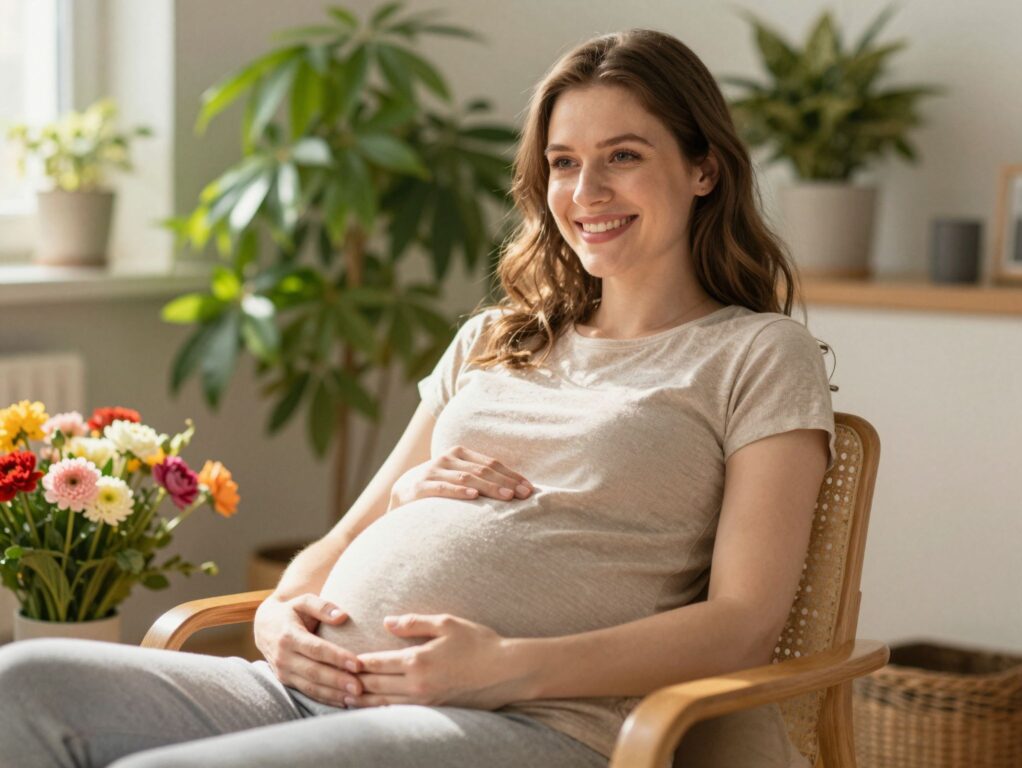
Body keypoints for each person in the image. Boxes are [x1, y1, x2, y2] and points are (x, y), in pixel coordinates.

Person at [0, 28, 835, 768]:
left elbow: (743, 621)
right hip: (303, 689)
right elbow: (338, 542)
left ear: (702, 168)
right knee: (20, 684)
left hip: (526, 722)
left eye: (624, 155)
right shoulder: (495, 337)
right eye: (563, 162)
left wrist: (507, 663)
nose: (585, 194)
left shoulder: (757, 354)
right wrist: (278, 622)